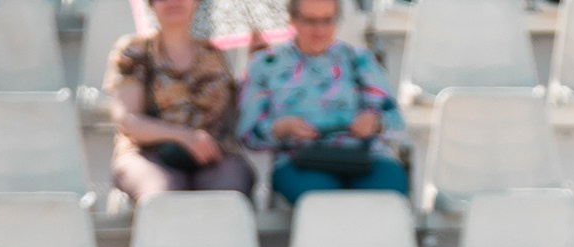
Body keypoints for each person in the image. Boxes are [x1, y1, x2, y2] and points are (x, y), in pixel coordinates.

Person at [238, 0, 408, 204]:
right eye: (311, 21)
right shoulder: (266, 64)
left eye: (328, 21)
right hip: (300, 160)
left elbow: (397, 120)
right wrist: (281, 128)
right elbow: (247, 134)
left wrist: (375, 123)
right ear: (292, 20)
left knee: (387, 193)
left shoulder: (359, 58)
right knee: (320, 201)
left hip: (364, 157)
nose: (320, 30)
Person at [105, 0, 254, 202]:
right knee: (163, 198)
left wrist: (256, 64)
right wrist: (185, 137)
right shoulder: (134, 51)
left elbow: (234, 113)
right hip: (147, 155)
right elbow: (128, 121)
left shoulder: (213, 54)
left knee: (227, 196)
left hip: (211, 156)